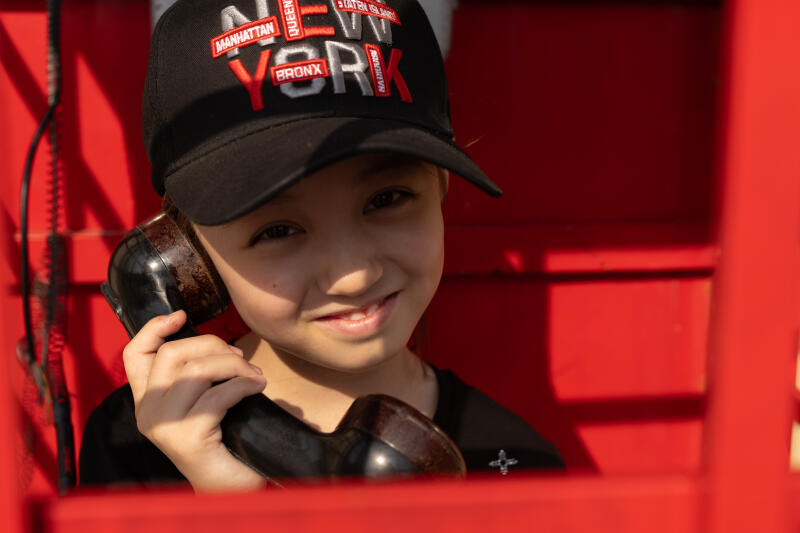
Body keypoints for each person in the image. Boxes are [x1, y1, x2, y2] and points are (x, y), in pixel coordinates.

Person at [79, 0, 563, 491]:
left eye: (386, 199)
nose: (354, 273)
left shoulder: (514, 465)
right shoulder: (135, 449)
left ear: (440, 185)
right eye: (277, 230)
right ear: (189, 254)